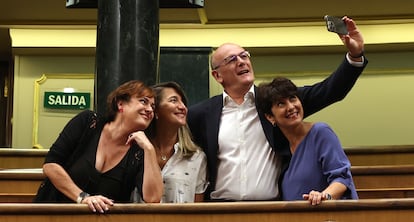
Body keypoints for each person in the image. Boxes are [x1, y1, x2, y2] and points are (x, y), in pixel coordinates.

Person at [187, 16, 367, 201]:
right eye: (232, 59)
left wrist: (355, 55)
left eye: (244, 55)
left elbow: (331, 91)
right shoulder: (199, 115)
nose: (241, 61)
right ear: (217, 76)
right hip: (220, 210)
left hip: (270, 209)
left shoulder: (275, 101)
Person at [35, 80, 163, 212]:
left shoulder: (140, 151)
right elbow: (51, 165)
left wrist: (149, 149)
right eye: (144, 101)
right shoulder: (88, 122)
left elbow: (153, 198)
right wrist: (82, 198)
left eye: (153, 107)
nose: (149, 110)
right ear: (120, 104)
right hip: (52, 215)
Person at [256, 77, 358, 205]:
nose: (291, 107)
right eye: (281, 104)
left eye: (292, 98)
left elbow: (342, 178)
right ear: (270, 117)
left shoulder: (320, 133)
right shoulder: (282, 152)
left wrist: (324, 196)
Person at [134, 81, 208, 203]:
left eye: (183, 102)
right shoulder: (135, 151)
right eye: (174, 100)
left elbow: (197, 210)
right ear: (155, 110)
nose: (182, 107)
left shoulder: (197, 157)